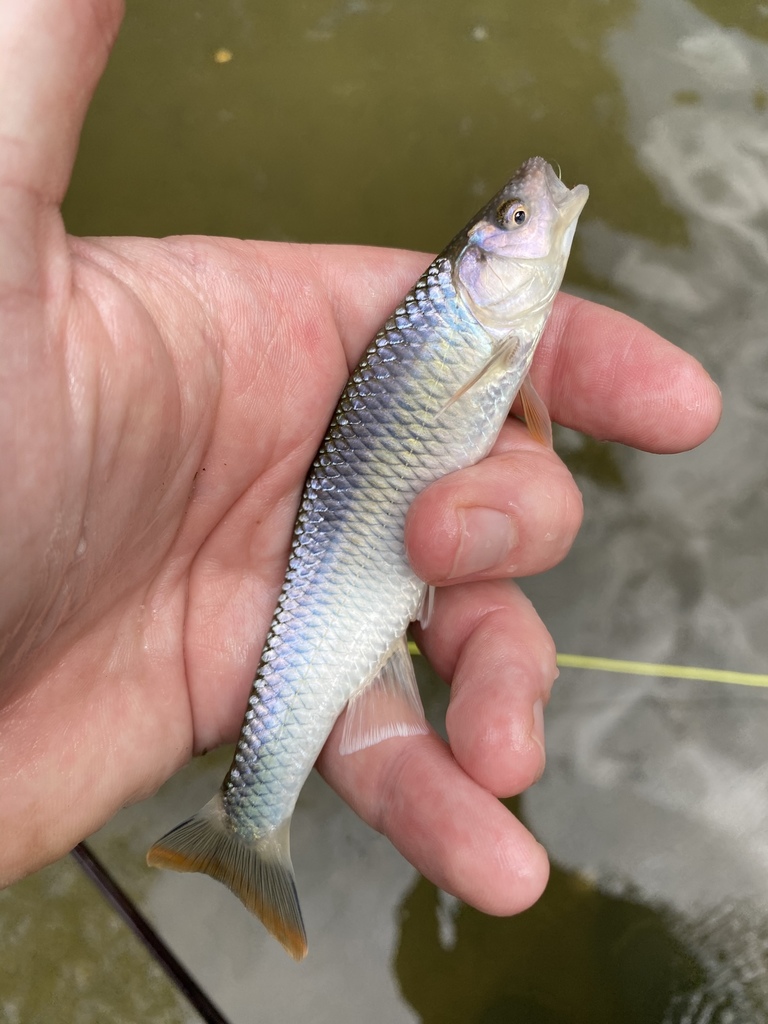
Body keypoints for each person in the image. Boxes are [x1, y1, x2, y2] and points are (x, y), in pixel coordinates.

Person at [0, 0, 720, 920]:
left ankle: (244, 824)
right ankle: (245, 823)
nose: (534, 202)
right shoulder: (485, 336)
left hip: (351, 575)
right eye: (514, 214)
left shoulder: (496, 338)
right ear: (478, 268)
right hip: (350, 573)